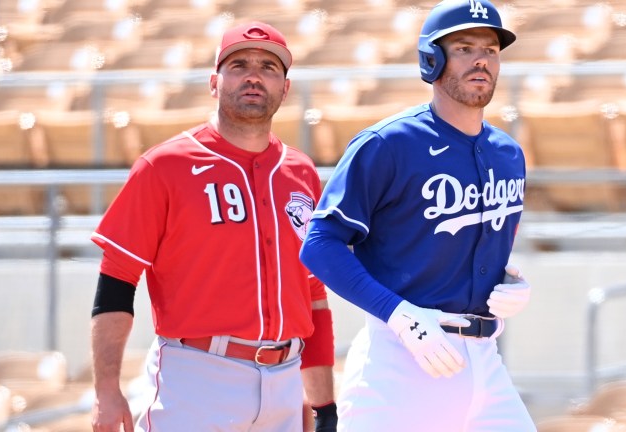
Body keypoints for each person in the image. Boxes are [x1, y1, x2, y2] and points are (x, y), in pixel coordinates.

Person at [89, 21, 337, 432]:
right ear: (214, 82)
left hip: (286, 380)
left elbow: (312, 291)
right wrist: (106, 390)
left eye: (269, 67)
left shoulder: (301, 172)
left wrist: (322, 401)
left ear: (286, 89)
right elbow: (117, 279)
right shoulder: (164, 166)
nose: (254, 75)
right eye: (239, 64)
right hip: (198, 377)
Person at [299, 0, 535, 430]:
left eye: (491, 49)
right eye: (464, 47)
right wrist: (399, 315)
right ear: (432, 58)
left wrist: (510, 281)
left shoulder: (509, 153)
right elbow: (319, 245)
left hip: (486, 359)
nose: (481, 58)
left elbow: (477, 249)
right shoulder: (388, 143)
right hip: (400, 362)